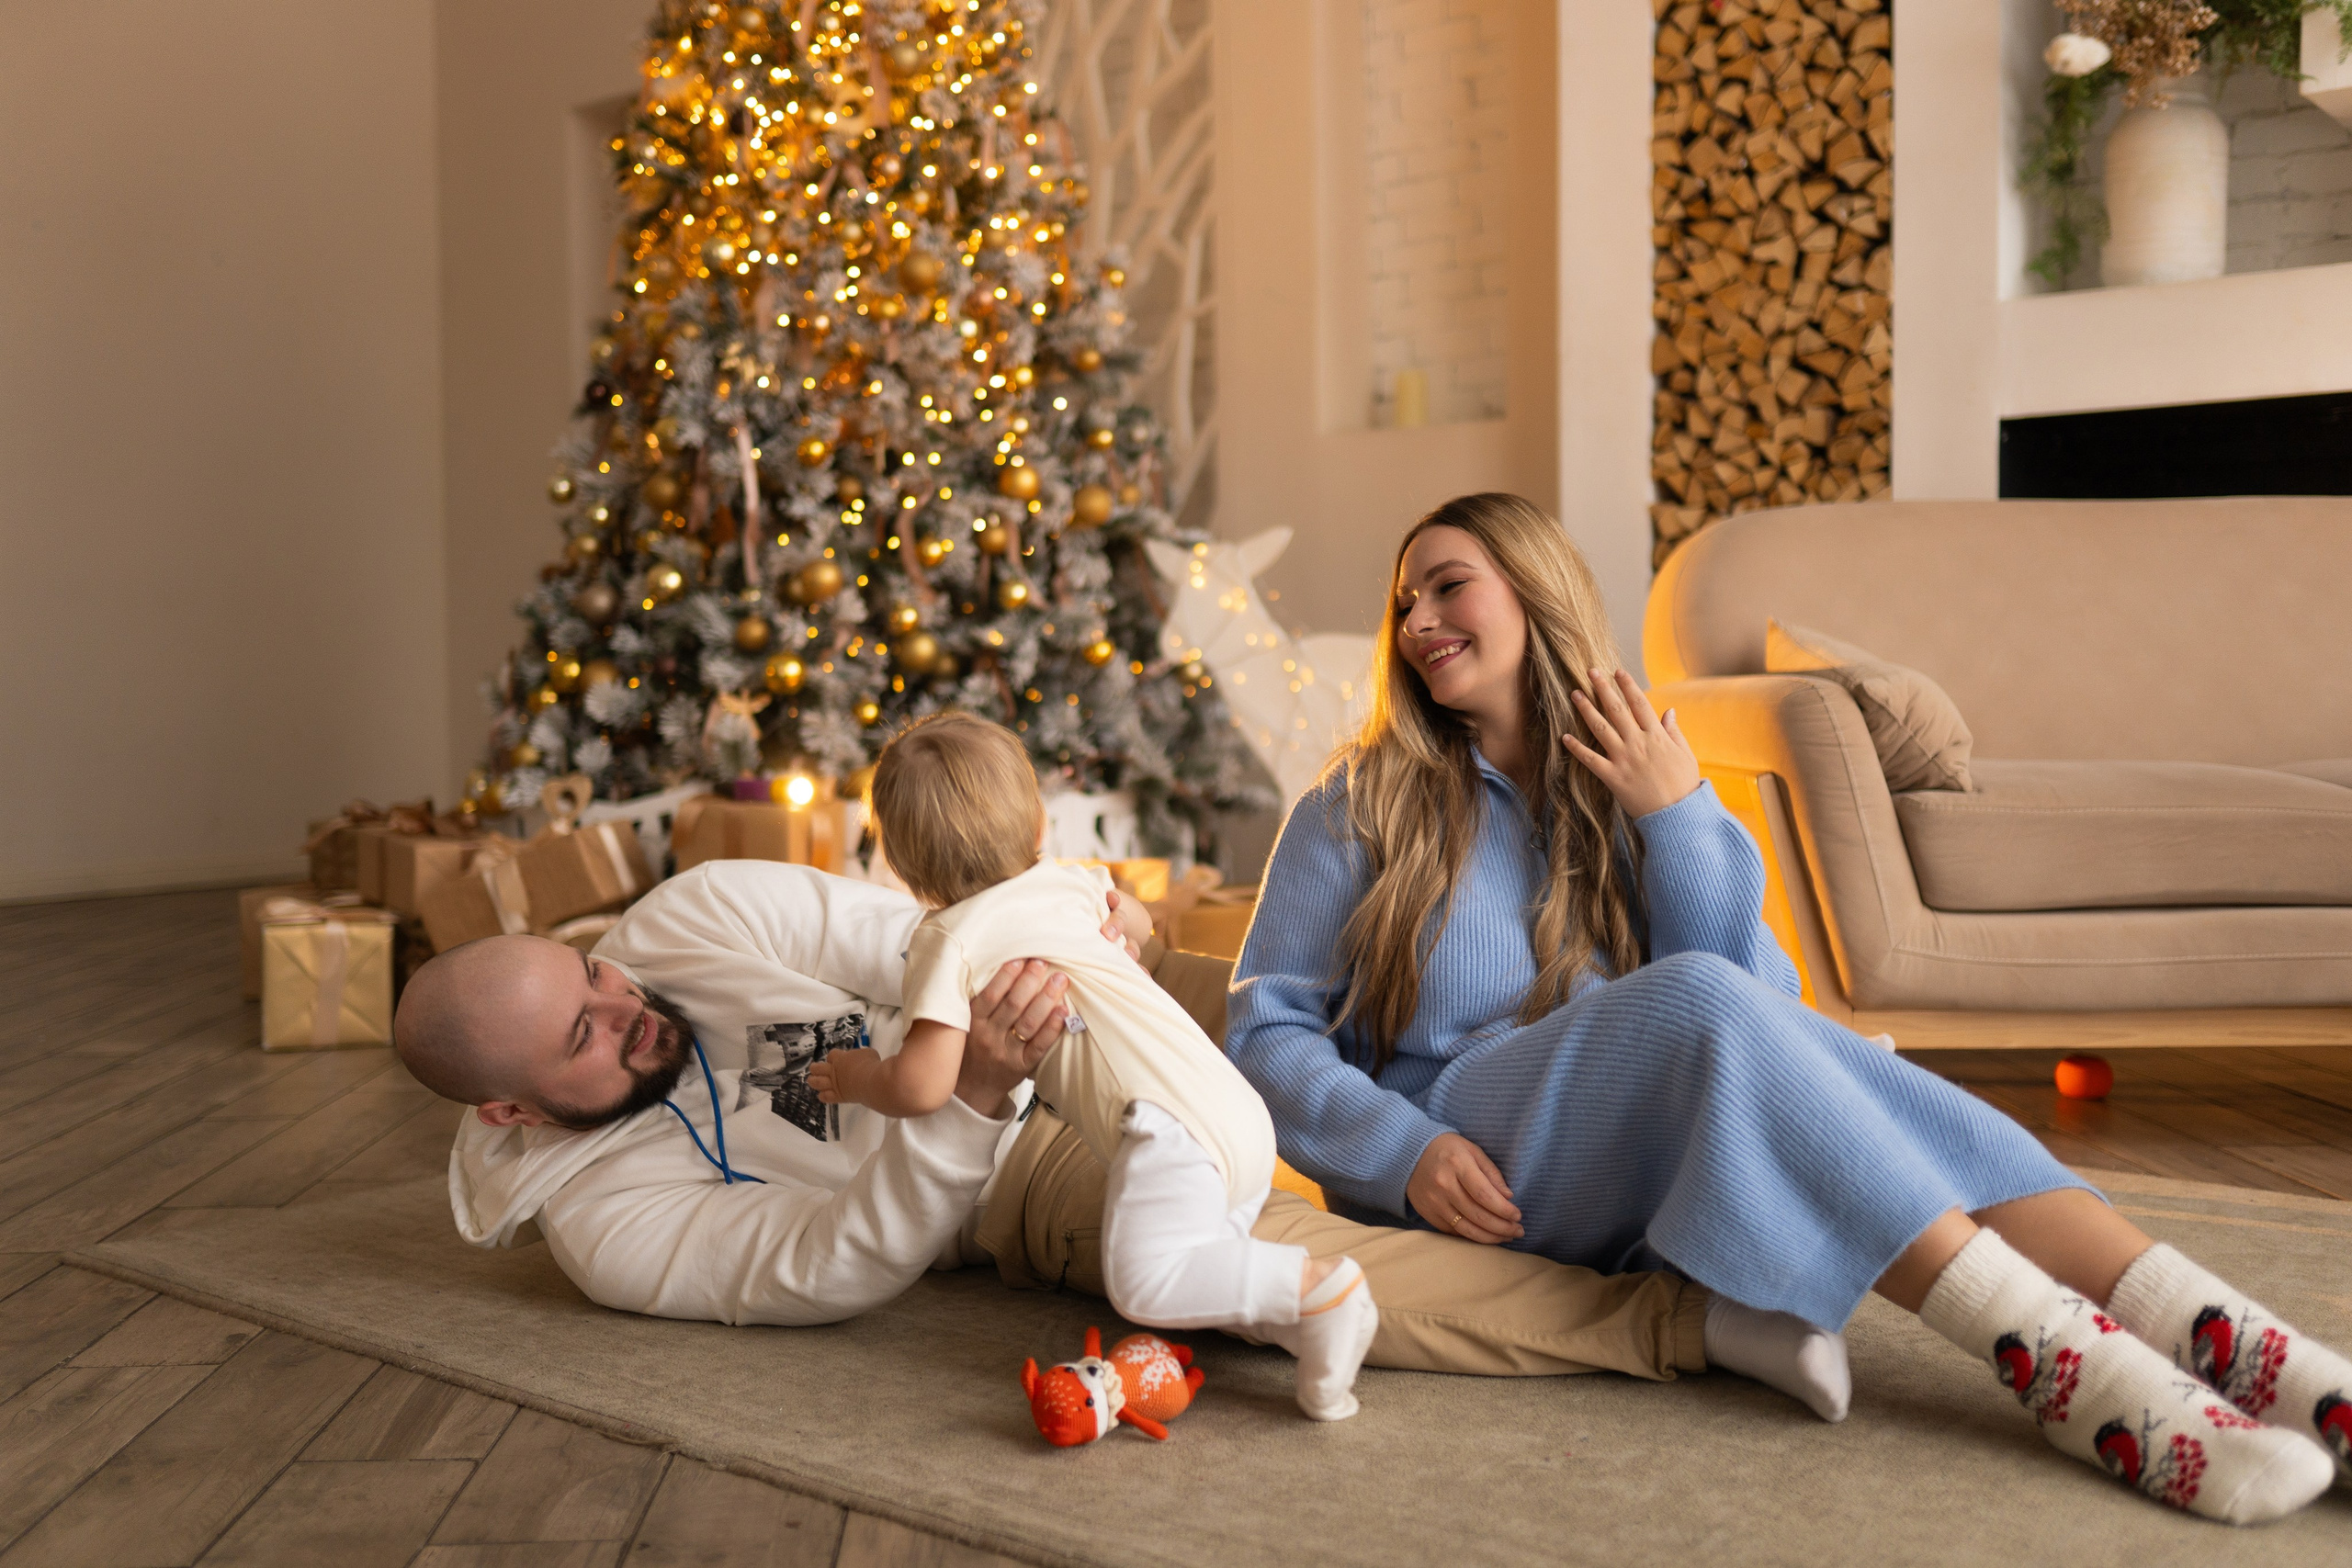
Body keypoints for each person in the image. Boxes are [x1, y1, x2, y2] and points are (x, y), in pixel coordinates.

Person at [1227, 491, 2351, 1525]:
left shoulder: (1638, 774)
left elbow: (1762, 1010)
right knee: (1707, 1008)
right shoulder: (1354, 803)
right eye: (1403, 599)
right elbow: (1264, 1029)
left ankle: (2240, 1348)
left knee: (1833, 1060)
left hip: (1638, 1158)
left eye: (1447, 583)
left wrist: (1673, 818)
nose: (1417, 616)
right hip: (1470, 1160)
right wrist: (1404, 1149)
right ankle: (2074, 1371)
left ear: (1533, 590)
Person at [391, 855, 1780, 1399]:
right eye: (585, 1033)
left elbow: (901, 934)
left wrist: (1052, 929)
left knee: (1347, 1080)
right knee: (1261, 1256)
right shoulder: (604, 1230)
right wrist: (971, 1095)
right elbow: (833, 1263)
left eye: (595, 974)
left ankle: (1704, 1171)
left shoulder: (682, 923)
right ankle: (1682, 1326)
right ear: (509, 1106)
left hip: (1024, 1038)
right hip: (994, 1182)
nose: (626, 1005)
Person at [810, 711, 1375, 1418]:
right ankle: (1321, 1355)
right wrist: (1121, 931)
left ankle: (1326, 1287)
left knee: (1142, 1282)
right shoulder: (1068, 881)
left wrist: (860, 1072)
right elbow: (1134, 921)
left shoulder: (947, 937)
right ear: (1038, 825)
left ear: (902, 865)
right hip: (1232, 1107)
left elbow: (923, 1085)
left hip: (1167, 1129)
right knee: (1208, 1273)